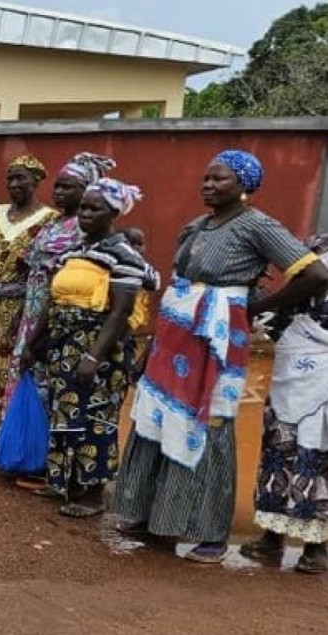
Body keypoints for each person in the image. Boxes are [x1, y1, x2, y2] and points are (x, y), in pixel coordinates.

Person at [114, 150, 328, 565]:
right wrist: (152, 345)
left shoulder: (258, 226)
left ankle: (209, 532)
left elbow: (315, 274)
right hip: (175, 337)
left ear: (245, 185)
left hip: (215, 341)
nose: (208, 185)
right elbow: (178, 284)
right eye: (206, 178)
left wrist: (254, 307)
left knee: (207, 425)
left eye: (220, 179)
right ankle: (155, 518)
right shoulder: (196, 227)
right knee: (158, 421)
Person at [22, 178, 154, 517]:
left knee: (96, 416)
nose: (86, 213)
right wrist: (34, 343)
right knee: (64, 411)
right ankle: (67, 482)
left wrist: (94, 355)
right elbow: (53, 302)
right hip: (63, 344)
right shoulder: (73, 252)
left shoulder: (122, 254)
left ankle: (94, 492)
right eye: (84, 207)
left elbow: (121, 310)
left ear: (113, 214)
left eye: (95, 208)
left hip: (101, 348)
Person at [8, 154, 116, 433]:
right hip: (32, 313)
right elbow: (31, 271)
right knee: (26, 375)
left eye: (67, 187)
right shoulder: (51, 224)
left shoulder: (85, 231)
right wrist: (22, 315)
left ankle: (42, 451)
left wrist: (42, 327)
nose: (58, 192)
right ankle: (22, 445)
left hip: (59, 318)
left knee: (49, 378)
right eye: (57, 186)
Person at [244, 233, 328, 574]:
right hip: (294, 362)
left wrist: (263, 307)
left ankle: (316, 545)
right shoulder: (316, 245)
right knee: (279, 445)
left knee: (319, 450)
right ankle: (272, 534)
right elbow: (295, 299)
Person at [0, 154, 57, 453]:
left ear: (37, 182)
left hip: (17, 304)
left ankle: (6, 431)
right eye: (10, 178)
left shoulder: (48, 219)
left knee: (9, 367)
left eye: (21, 178)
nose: (14, 184)